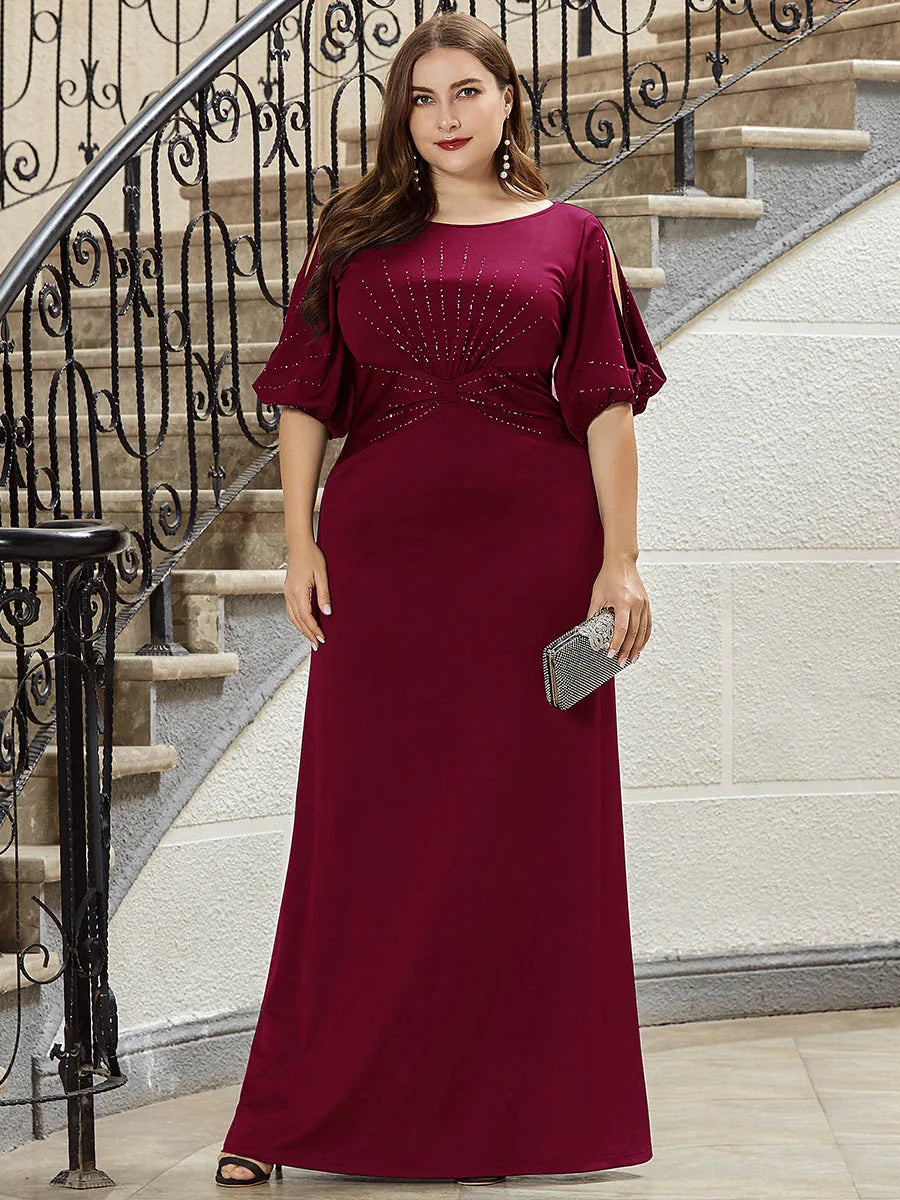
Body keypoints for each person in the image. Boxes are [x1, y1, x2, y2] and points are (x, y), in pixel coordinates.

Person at [215, 9, 666, 1190]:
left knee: (526, 835)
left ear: (509, 99)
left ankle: (506, 1119)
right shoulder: (353, 239)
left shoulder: (574, 237)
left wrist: (620, 560)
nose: (447, 117)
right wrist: (298, 535)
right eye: (423, 99)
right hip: (387, 564)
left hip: (532, 565)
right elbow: (308, 395)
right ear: (403, 117)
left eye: (467, 91)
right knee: (359, 832)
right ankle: (293, 1116)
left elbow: (605, 407)